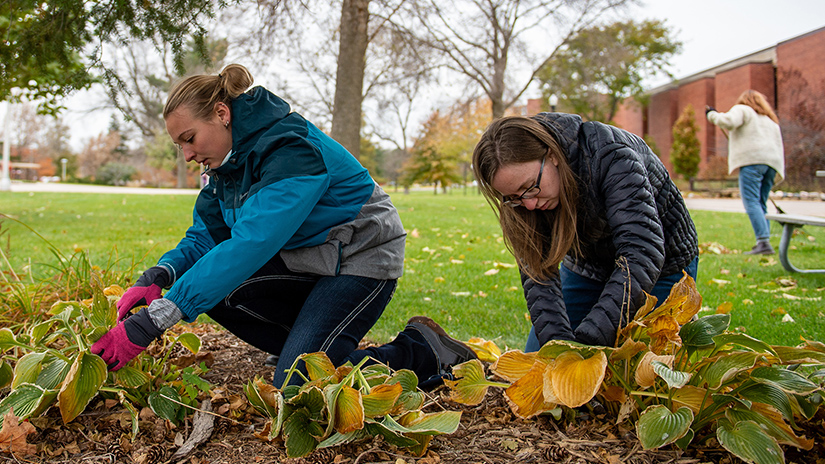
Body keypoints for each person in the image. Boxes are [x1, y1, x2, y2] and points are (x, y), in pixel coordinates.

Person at [91, 64, 475, 388]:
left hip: (360, 257)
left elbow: (251, 243)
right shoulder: (224, 165)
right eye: (180, 146)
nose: (188, 154)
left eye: (189, 139)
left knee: (294, 384)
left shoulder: (288, 149)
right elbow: (206, 236)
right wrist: (159, 273)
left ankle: (421, 352)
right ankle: (312, 346)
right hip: (310, 259)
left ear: (222, 114)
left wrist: (151, 323)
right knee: (221, 294)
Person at [472, 114, 699, 350]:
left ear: (552, 155)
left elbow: (641, 253)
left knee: (638, 366)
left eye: (529, 187)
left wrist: (591, 340)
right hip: (588, 266)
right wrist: (557, 344)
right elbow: (537, 271)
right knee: (541, 358)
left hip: (660, 266)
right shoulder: (527, 199)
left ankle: (683, 324)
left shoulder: (611, 155)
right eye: (514, 198)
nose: (528, 204)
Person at [706, 89, 785, 255]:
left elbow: (728, 121)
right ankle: (764, 240)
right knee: (761, 202)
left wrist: (712, 114)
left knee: (751, 202)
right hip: (771, 163)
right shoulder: (770, 119)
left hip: (753, 161)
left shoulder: (743, 109)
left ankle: (763, 242)